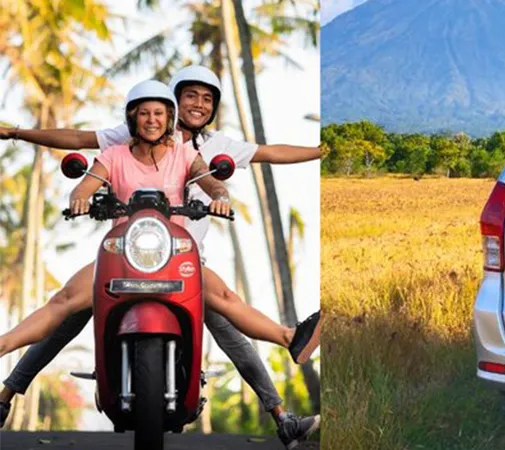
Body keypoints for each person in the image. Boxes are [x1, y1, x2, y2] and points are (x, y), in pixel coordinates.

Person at [0, 73, 321, 447]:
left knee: (229, 314)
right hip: (127, 250)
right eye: (188, 97)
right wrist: (76, 191)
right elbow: (79, 150)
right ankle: (4, 359)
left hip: (181, 256)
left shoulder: (196, 151)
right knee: (66, 307)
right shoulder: (118, 147)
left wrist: (221, 195)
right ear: (139, 115)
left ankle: (285, 383)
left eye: (205, 99)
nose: (195, 105)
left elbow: (228, 172)